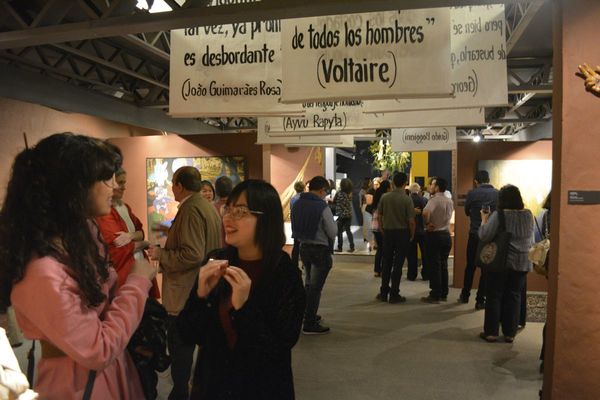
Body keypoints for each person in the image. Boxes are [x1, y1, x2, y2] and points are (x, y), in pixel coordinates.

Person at [0, 133, 157, 399]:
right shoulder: (42, 271)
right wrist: (138, 282)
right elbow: (99, 349)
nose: (113, 187)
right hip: (80, 382)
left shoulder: (78, 236)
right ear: (74, 187)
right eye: (104, 178)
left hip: (104, 374)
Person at [176, 180, 306, 400]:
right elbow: (188, 334)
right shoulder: (217, 261)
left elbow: (279, 347)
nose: (228, 217)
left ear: (266, 218)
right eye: (228, 209)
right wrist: (200, 296)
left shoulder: (285, 273)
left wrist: (244, 307)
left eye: (241, 211)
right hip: (213, 387)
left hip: (262, 389)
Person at [148, 166, 222, 400]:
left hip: (185, 293)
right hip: (202, 289)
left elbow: (191, 254)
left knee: (181, 351)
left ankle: (180, 394)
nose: (171, 188)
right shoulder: (205, 207)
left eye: (173, 184)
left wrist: (161, 256)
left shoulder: (190, 210)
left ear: (179, 185)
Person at [478, 184, 534, 343]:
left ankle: (491, 332)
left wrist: (484, 220)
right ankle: (510, 333)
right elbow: (531, 239)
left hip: (502, 261)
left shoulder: (500, 215)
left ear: (501, 199)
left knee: (494, 295)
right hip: (523, 261)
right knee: (514, 296)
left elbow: (484, 235)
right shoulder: (528, 214)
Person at [97, 168, 160, 296]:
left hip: (137, 270)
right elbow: (119, 248)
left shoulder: (124, 207)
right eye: (120, 183)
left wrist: (131, 236)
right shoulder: (105, 213)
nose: (123, 187)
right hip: (125, 276)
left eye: (124, 183)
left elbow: (140, 232)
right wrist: (143, 243)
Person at [292, 176, 337, 334]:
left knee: (309, 283)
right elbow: (332, 231)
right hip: (319, 250)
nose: (326, 194)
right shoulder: (321, 206)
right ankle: (309, 323)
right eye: (326, 191)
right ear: (321, 190)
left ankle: (307, 314)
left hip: (303, 248)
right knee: (315, 288)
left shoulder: (297, 203)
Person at [459, 170, 499, 310]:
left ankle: (465, 294)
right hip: (489, 236)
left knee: (470, 266)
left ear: (476, 181)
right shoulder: (497, 193)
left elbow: (466, 211)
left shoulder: (472, 193)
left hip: (474, 234)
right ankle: (480, 300)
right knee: (485, 269)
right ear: (489, 179)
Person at [376, 172, 416, 303]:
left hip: (388, 233)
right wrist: (412, 234)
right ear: (405, 183)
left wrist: (382, 229)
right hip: (402, 233)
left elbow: (379, 216)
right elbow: (411, 221)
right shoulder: (407, 199)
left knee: (386, 262)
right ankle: (394, 294)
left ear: (393, 183)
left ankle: (383, 292)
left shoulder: (384, 197)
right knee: (398, 265)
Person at [421, 178, 454, 304]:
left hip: (435, 235)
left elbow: (425, 213)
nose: (430, 186)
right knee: (443, 265)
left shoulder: (433, 200)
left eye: (433, 184)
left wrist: (428, 223)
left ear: (438, 187)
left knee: (434, 266)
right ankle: (443, 293)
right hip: (446, 235)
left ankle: (435, 294)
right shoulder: (449, 201)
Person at [407, 183, 428, 281]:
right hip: (423, 230)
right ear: (419, 190)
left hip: (411, 231)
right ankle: (426, 274)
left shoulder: (407, 200)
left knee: (411, 254)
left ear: (410, 191)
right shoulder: (424, 200)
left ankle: (412, 275)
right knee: (425, 254)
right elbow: (427, 214)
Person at [371, 180, 391, 277]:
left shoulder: (377, 195)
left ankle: (376, 270)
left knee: (380, 249)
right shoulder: (385, 197)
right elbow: (381, 215)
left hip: (374, 226)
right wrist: (383, 228)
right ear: (387, 188)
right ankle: (383, 270)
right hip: (381, 226)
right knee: (385, 250)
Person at [334, 178, 355, 252]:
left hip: (341, 215)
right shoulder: (349, 194)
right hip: (348, 215)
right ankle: (352, 247)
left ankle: (340, 247)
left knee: (339, 232)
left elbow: (335, 201)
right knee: (348, 231)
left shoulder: (339, 193)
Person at [290, 181, 306, 269]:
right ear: (303, 188)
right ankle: (304, 263)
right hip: (303, 224)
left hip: (295, 224)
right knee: (304, 245)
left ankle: (294, 264)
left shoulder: (292, 199)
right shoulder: (304, 199)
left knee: (296, 245)